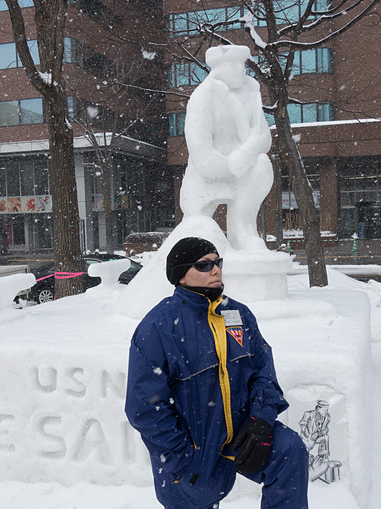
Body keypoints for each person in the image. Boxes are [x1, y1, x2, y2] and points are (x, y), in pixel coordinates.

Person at [125, 237, 309, 508]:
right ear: (181, 276)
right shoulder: (158, 326)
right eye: (204, 265)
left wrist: (261, 421)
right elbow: (145, 407)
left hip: (243, 433)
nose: (216, 270)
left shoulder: (238, 314)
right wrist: (183, 459)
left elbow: (263, 371)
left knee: (289, 450)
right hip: (193, 446)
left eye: (217, 262)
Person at [179, 45, 273, 252]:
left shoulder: (250, 95)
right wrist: (232, 164)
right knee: (196, 231)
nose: (239, 70)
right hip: (208, 174)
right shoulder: (202, 97)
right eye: (231, 65)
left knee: (261, 164)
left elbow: (264, 139)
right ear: (217, 69)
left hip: (243, 170)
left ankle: (244, 232)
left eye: (241, 65)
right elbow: (202, 155)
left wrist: (246, 155)